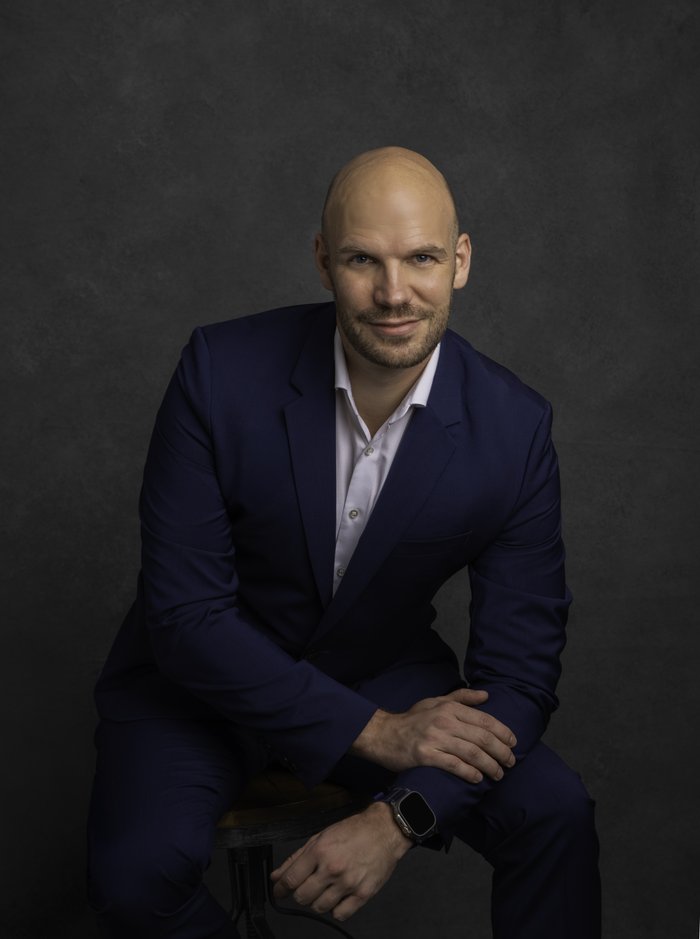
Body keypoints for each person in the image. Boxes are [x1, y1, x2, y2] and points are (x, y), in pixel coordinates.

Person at [87, 146, 600, 938]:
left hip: (378, 668)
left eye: (422, 258)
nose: (395, 294)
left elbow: (521, 676)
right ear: (324, 260)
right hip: (195, 687)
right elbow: (187, 617)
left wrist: (400, 817)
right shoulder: (219, 372)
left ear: (460, 261)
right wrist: (374, 732)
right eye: (364, 259)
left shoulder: (516, 428)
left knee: (554, 812)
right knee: (134, 876)